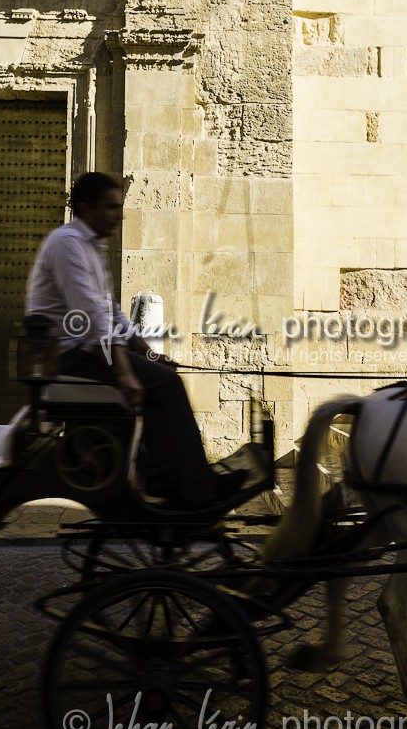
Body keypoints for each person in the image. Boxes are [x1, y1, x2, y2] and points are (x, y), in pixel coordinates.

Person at [26, 172, 244, 508]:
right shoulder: (68, 244)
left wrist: (148, 355)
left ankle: (161, 473)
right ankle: (196, 487)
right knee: (165, 386)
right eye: (111, 207)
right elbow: (93, 321)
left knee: (161, 377)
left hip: (89, 351)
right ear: (86, 208)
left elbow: (111, 312)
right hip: (71, 356)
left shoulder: (90, 246)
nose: (120, 215)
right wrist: (126, 373)